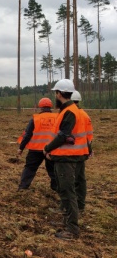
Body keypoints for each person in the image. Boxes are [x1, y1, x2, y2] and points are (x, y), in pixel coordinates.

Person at [43, 79, 90, 240]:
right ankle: (68, 220)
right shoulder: (72, 110)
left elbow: (63, 135)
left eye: (55, 92)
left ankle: (72, 230)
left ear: (59, 93)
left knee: (68, 192)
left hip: (67, 158)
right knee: (67, 190)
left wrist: (48, 148)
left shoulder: (69, 111)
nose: (55, 96)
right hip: (72, 157)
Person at [17, 97, 58, 192]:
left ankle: (23, 187)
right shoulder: (57, 117)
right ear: (50, 106)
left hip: (35, 150)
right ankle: (56, 189)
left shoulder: (35, 118)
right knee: (53, 170)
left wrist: (21, 148)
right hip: (51, 150)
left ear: (40, 107)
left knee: (30, 168)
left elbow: (27, 135)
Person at [70, 91, 93, 214]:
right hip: (83, 150)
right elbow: (89, 135)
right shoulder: (85, 114)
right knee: (80, 178)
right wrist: (89, 149)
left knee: (72, 180)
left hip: (72, 152)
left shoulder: (72, 114)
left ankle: (72, 207)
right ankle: (81, 205)